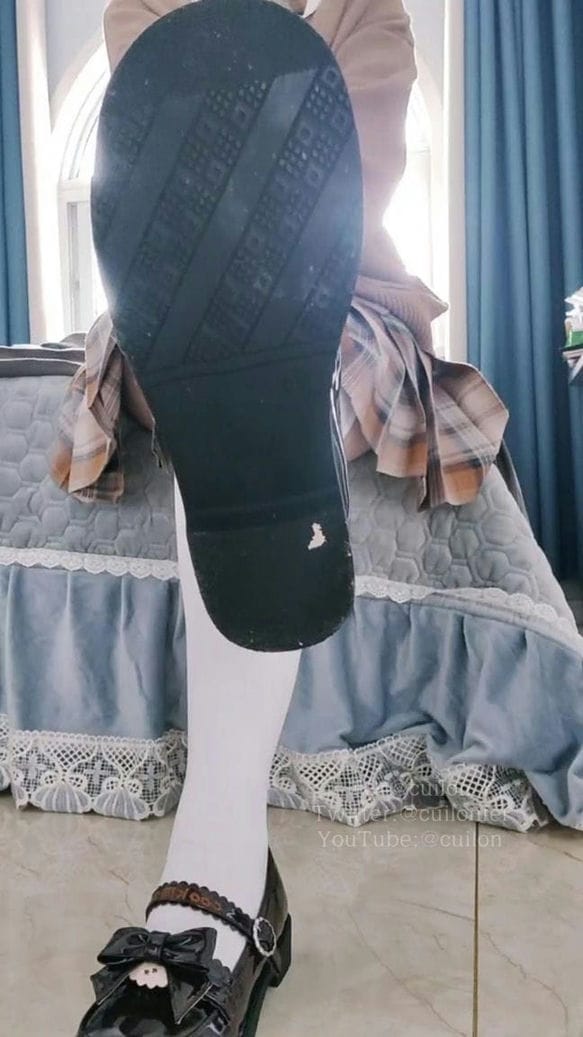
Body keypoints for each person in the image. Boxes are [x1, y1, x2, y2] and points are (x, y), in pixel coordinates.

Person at [60, 0, 583, 1034]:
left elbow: (347, 185)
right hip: (179, 327)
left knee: (273, 379)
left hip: (339, 297)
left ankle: (212, 867)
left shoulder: (365, 11)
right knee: (213, 378)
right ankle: (227, 868)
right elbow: (158, 187)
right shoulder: (149, 10)